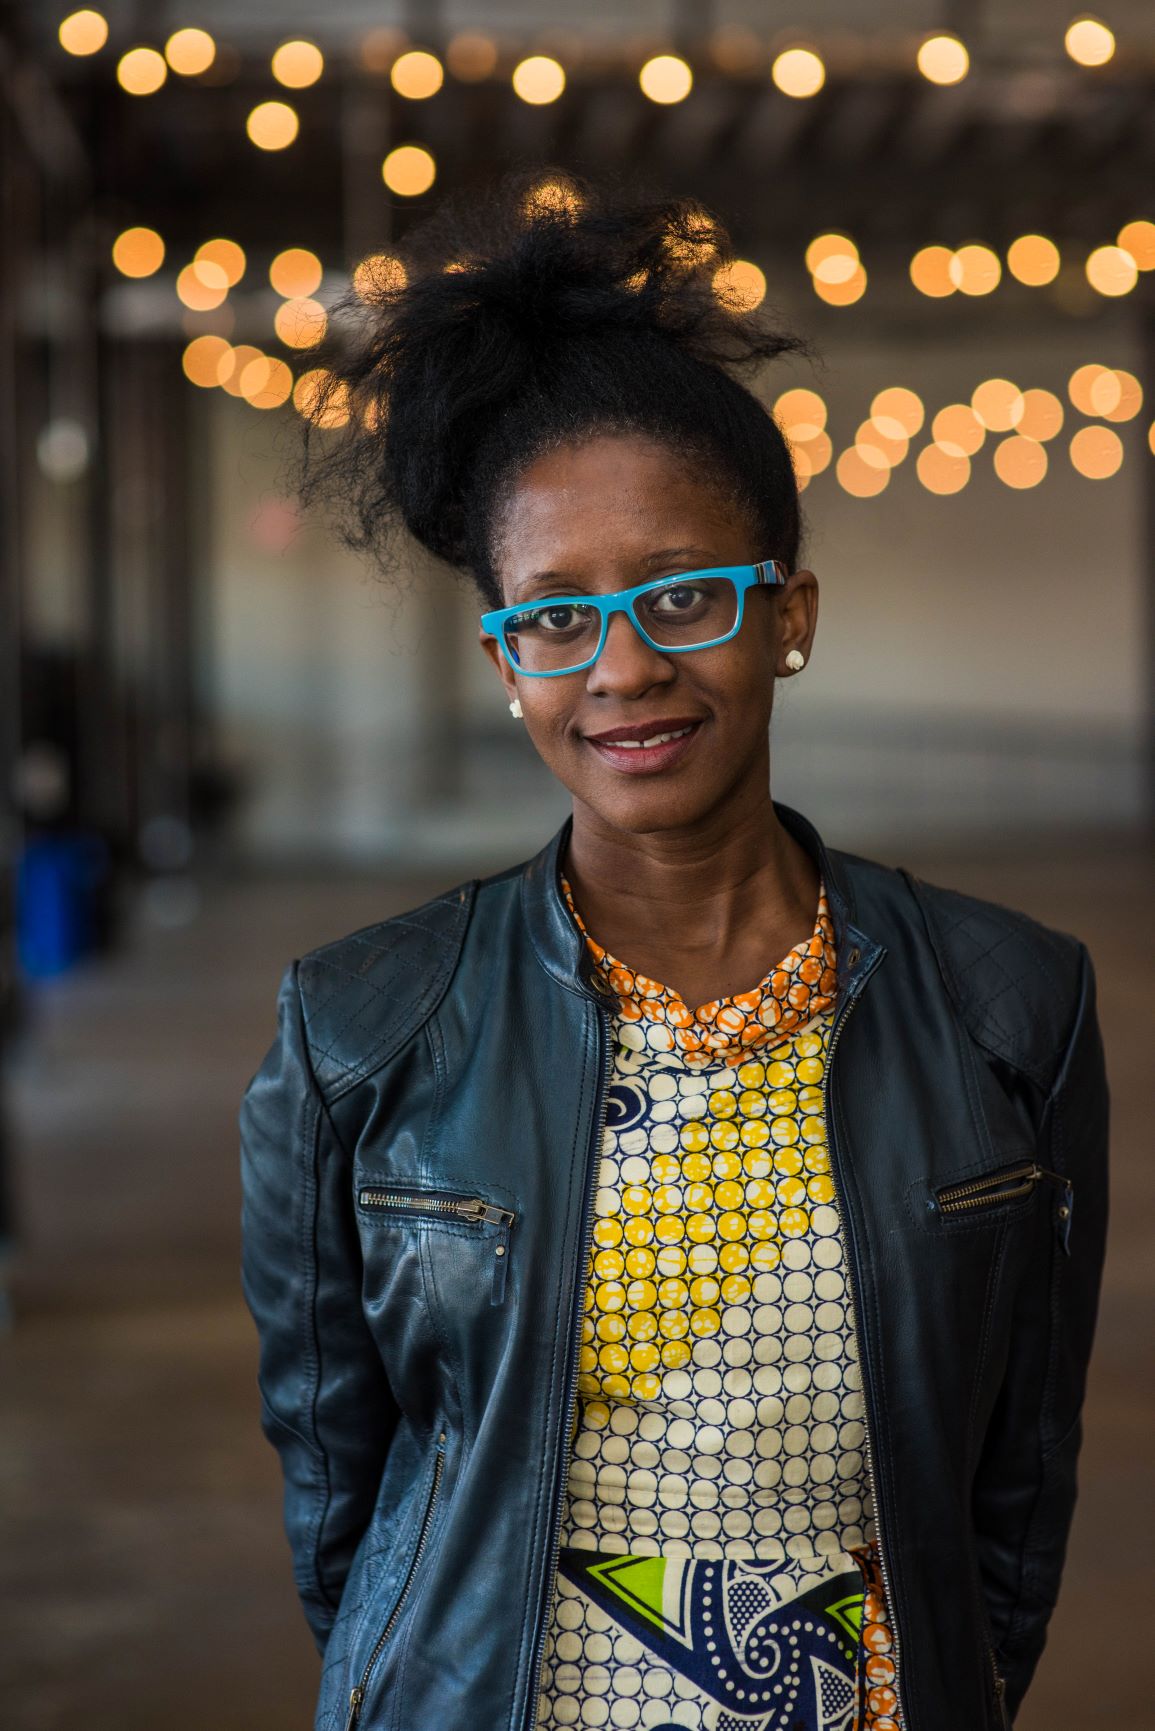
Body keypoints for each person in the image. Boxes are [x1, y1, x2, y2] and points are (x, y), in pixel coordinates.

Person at [239, 173, 1109, 1731]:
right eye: (555, 618)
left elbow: (1016, 1490)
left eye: (684, 595)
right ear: (508, 658)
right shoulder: (362, 1028)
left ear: (789, 613)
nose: (625, 668)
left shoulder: (1008, 1005)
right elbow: (346, 1506)